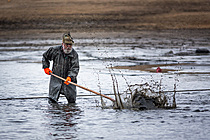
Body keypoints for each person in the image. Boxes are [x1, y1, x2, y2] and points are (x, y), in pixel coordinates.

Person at [42, 32, 79, 104]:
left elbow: (75, 67)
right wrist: (46, 67)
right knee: (52, 101)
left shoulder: (74, 54)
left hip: (69, 82)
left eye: (70, 45)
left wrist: (70, 77)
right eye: (66, 44)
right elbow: (45, 57)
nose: (68, 46)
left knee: (72, 103)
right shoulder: (54, 50)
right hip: (56, 79)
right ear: (62, 44)